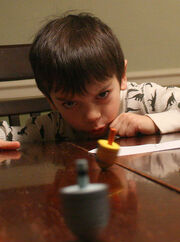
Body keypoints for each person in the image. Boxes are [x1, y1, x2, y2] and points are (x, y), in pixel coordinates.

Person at [0, 12, 180, 150]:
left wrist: (152, 122)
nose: (91, 115)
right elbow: (7, 134)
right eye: (70, 103)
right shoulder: (52, 126)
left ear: (122, 76)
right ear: (50, 100)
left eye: (102, 94)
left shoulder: (143, 98)